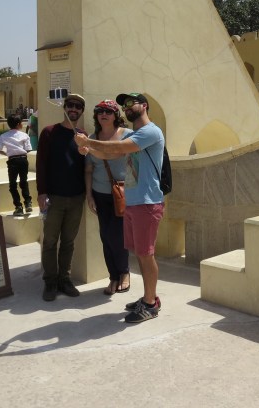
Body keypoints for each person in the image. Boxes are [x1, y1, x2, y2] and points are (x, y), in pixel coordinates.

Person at [75, 92, 165, 324]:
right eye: (124, 104)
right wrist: (89, 150)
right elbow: (111, 152)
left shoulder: (150, 132)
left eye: (130, 103)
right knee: (141, 255)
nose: (126, 107)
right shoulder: (136, 133)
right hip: (134, 201)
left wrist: (87, 142)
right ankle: (148, 297)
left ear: (144, 106)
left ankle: (150, 304)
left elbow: (117, 148)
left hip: (147, 201)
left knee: (146, 255)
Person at [36, 94, 87, 301]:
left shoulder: (82, 135)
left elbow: (86, 167)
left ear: (81, 111)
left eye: (78, 106)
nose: (74, 109)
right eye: (71, 105)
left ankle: (64, 279)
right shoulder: (49, 132)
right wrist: (41, 192)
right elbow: (41, 164)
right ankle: (50, 281)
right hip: (54, 198)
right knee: (49, 241)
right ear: (64, 107)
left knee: (68, 241)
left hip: (76, 197)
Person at [84, 100, 131, 296]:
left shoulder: (127, 135)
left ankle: (125, 272)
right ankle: (113, 276)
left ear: (115, 115)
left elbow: (120, 153)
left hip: (121, 193)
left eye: (108, 111)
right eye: (100, 111)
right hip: (100, 193)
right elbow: (88, 169)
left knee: (117, 236)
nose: (104, 114)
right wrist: (89, 195)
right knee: (105, 236)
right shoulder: (92, 137)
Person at [0, 115, 33, 217]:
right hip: (23, 160)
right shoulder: (24, 135)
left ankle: (18, 207)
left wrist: (7, 153)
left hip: (12, 161)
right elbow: (29, 149)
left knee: (12, 185)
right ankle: (28, 202)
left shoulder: (4, 136)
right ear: (18, 124)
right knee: (23, 181)